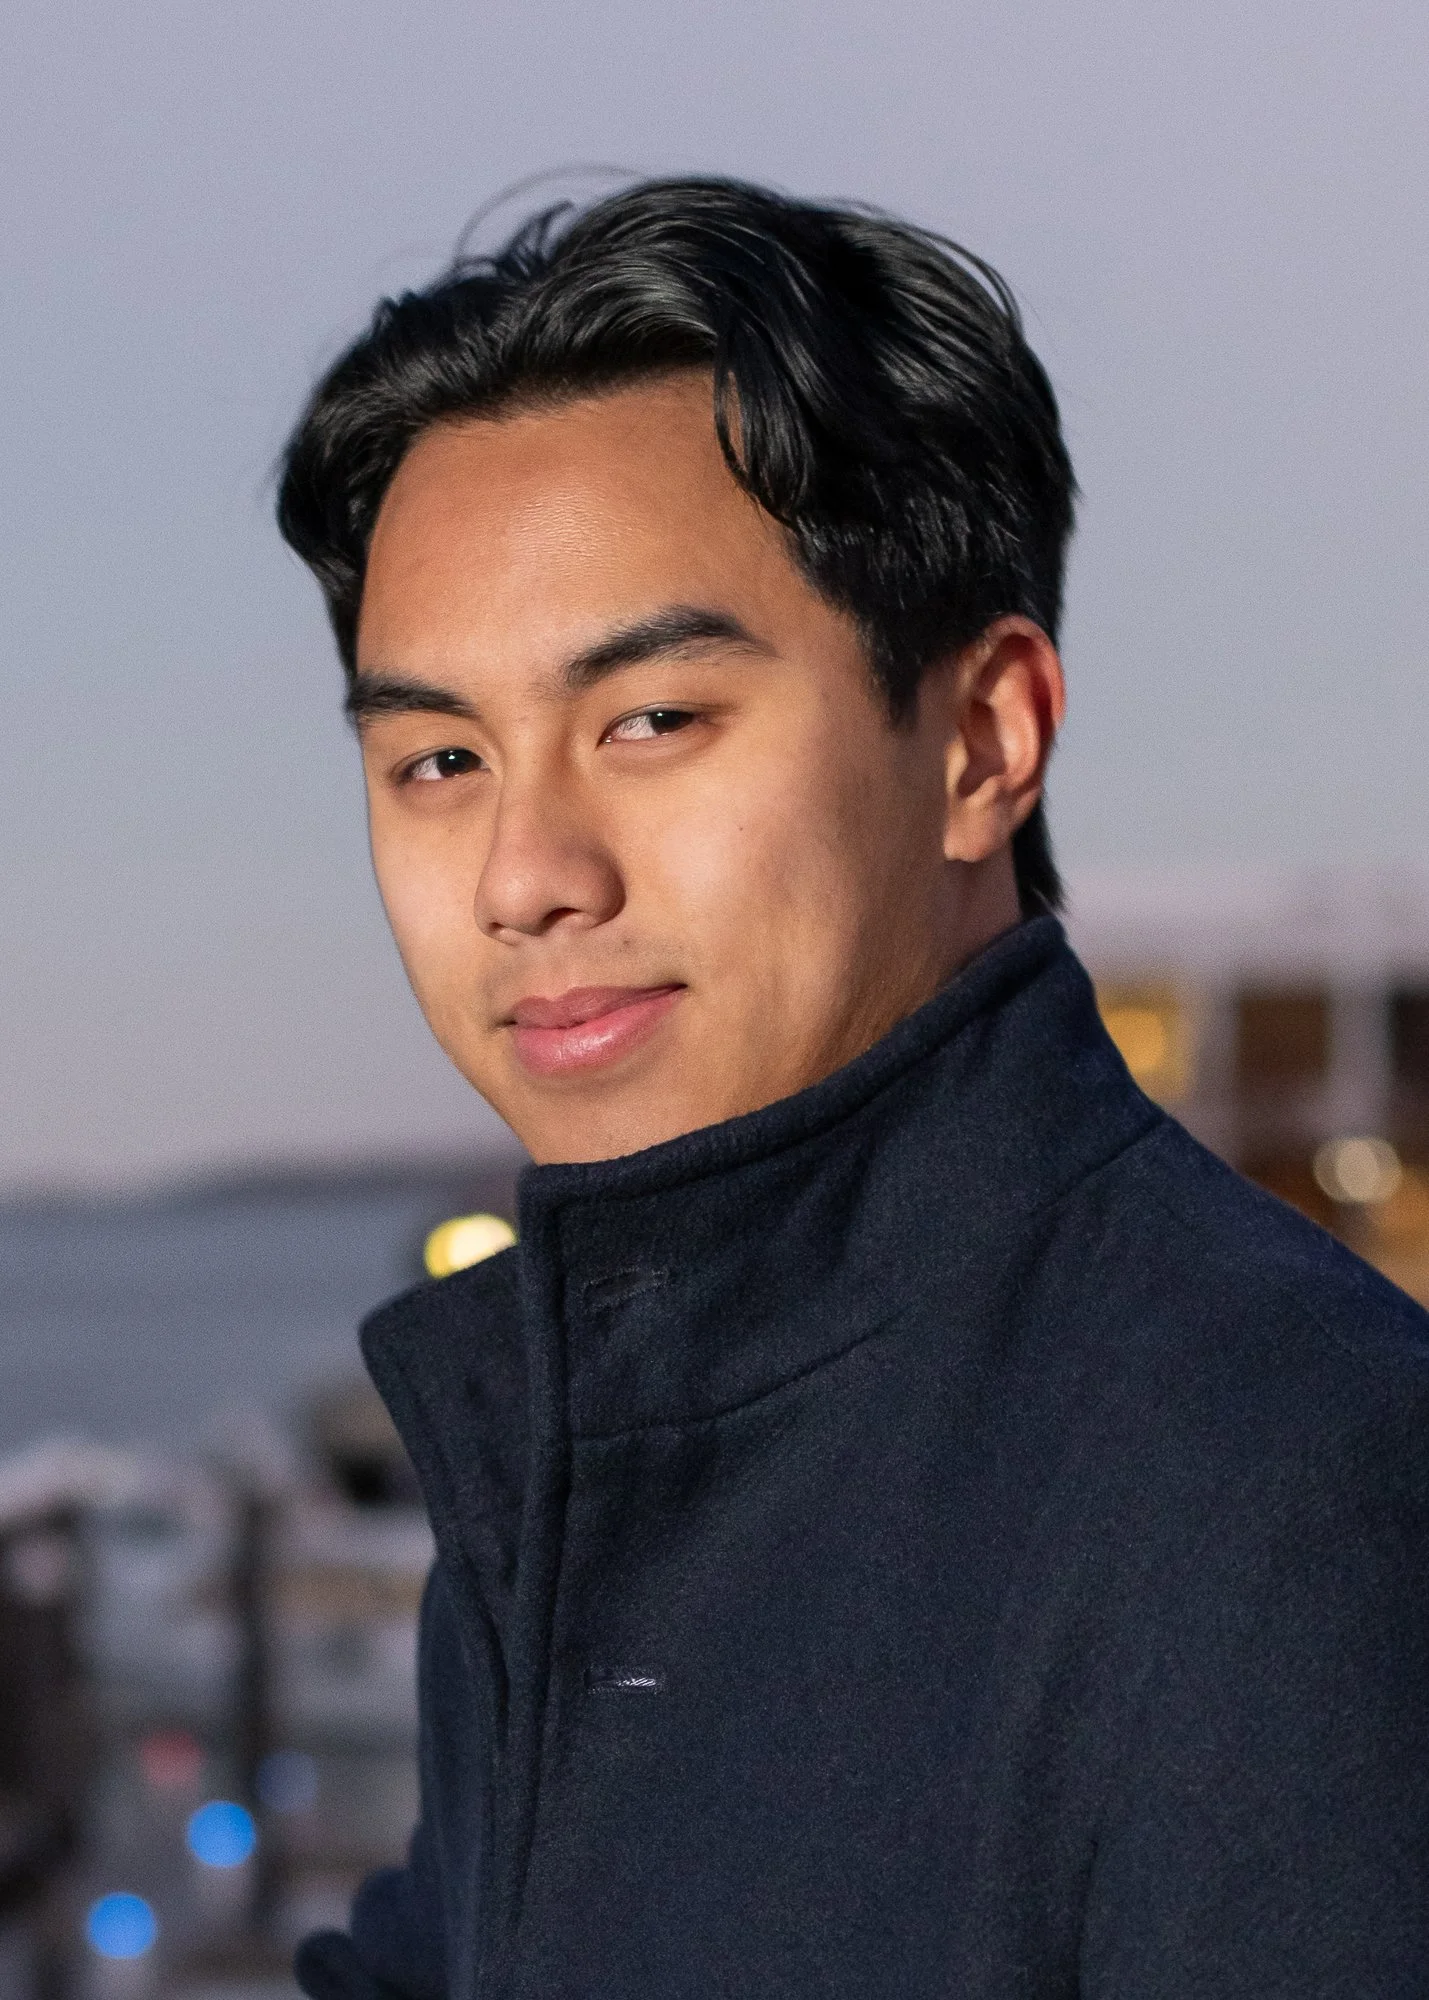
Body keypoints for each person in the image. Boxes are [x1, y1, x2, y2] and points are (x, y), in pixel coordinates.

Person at [277, 178, 1429, 1999]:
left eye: (650, 720)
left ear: (981, 742)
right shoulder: (590, 1437)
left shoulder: (1284, 1489)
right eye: (436, 757)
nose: (523, 873)